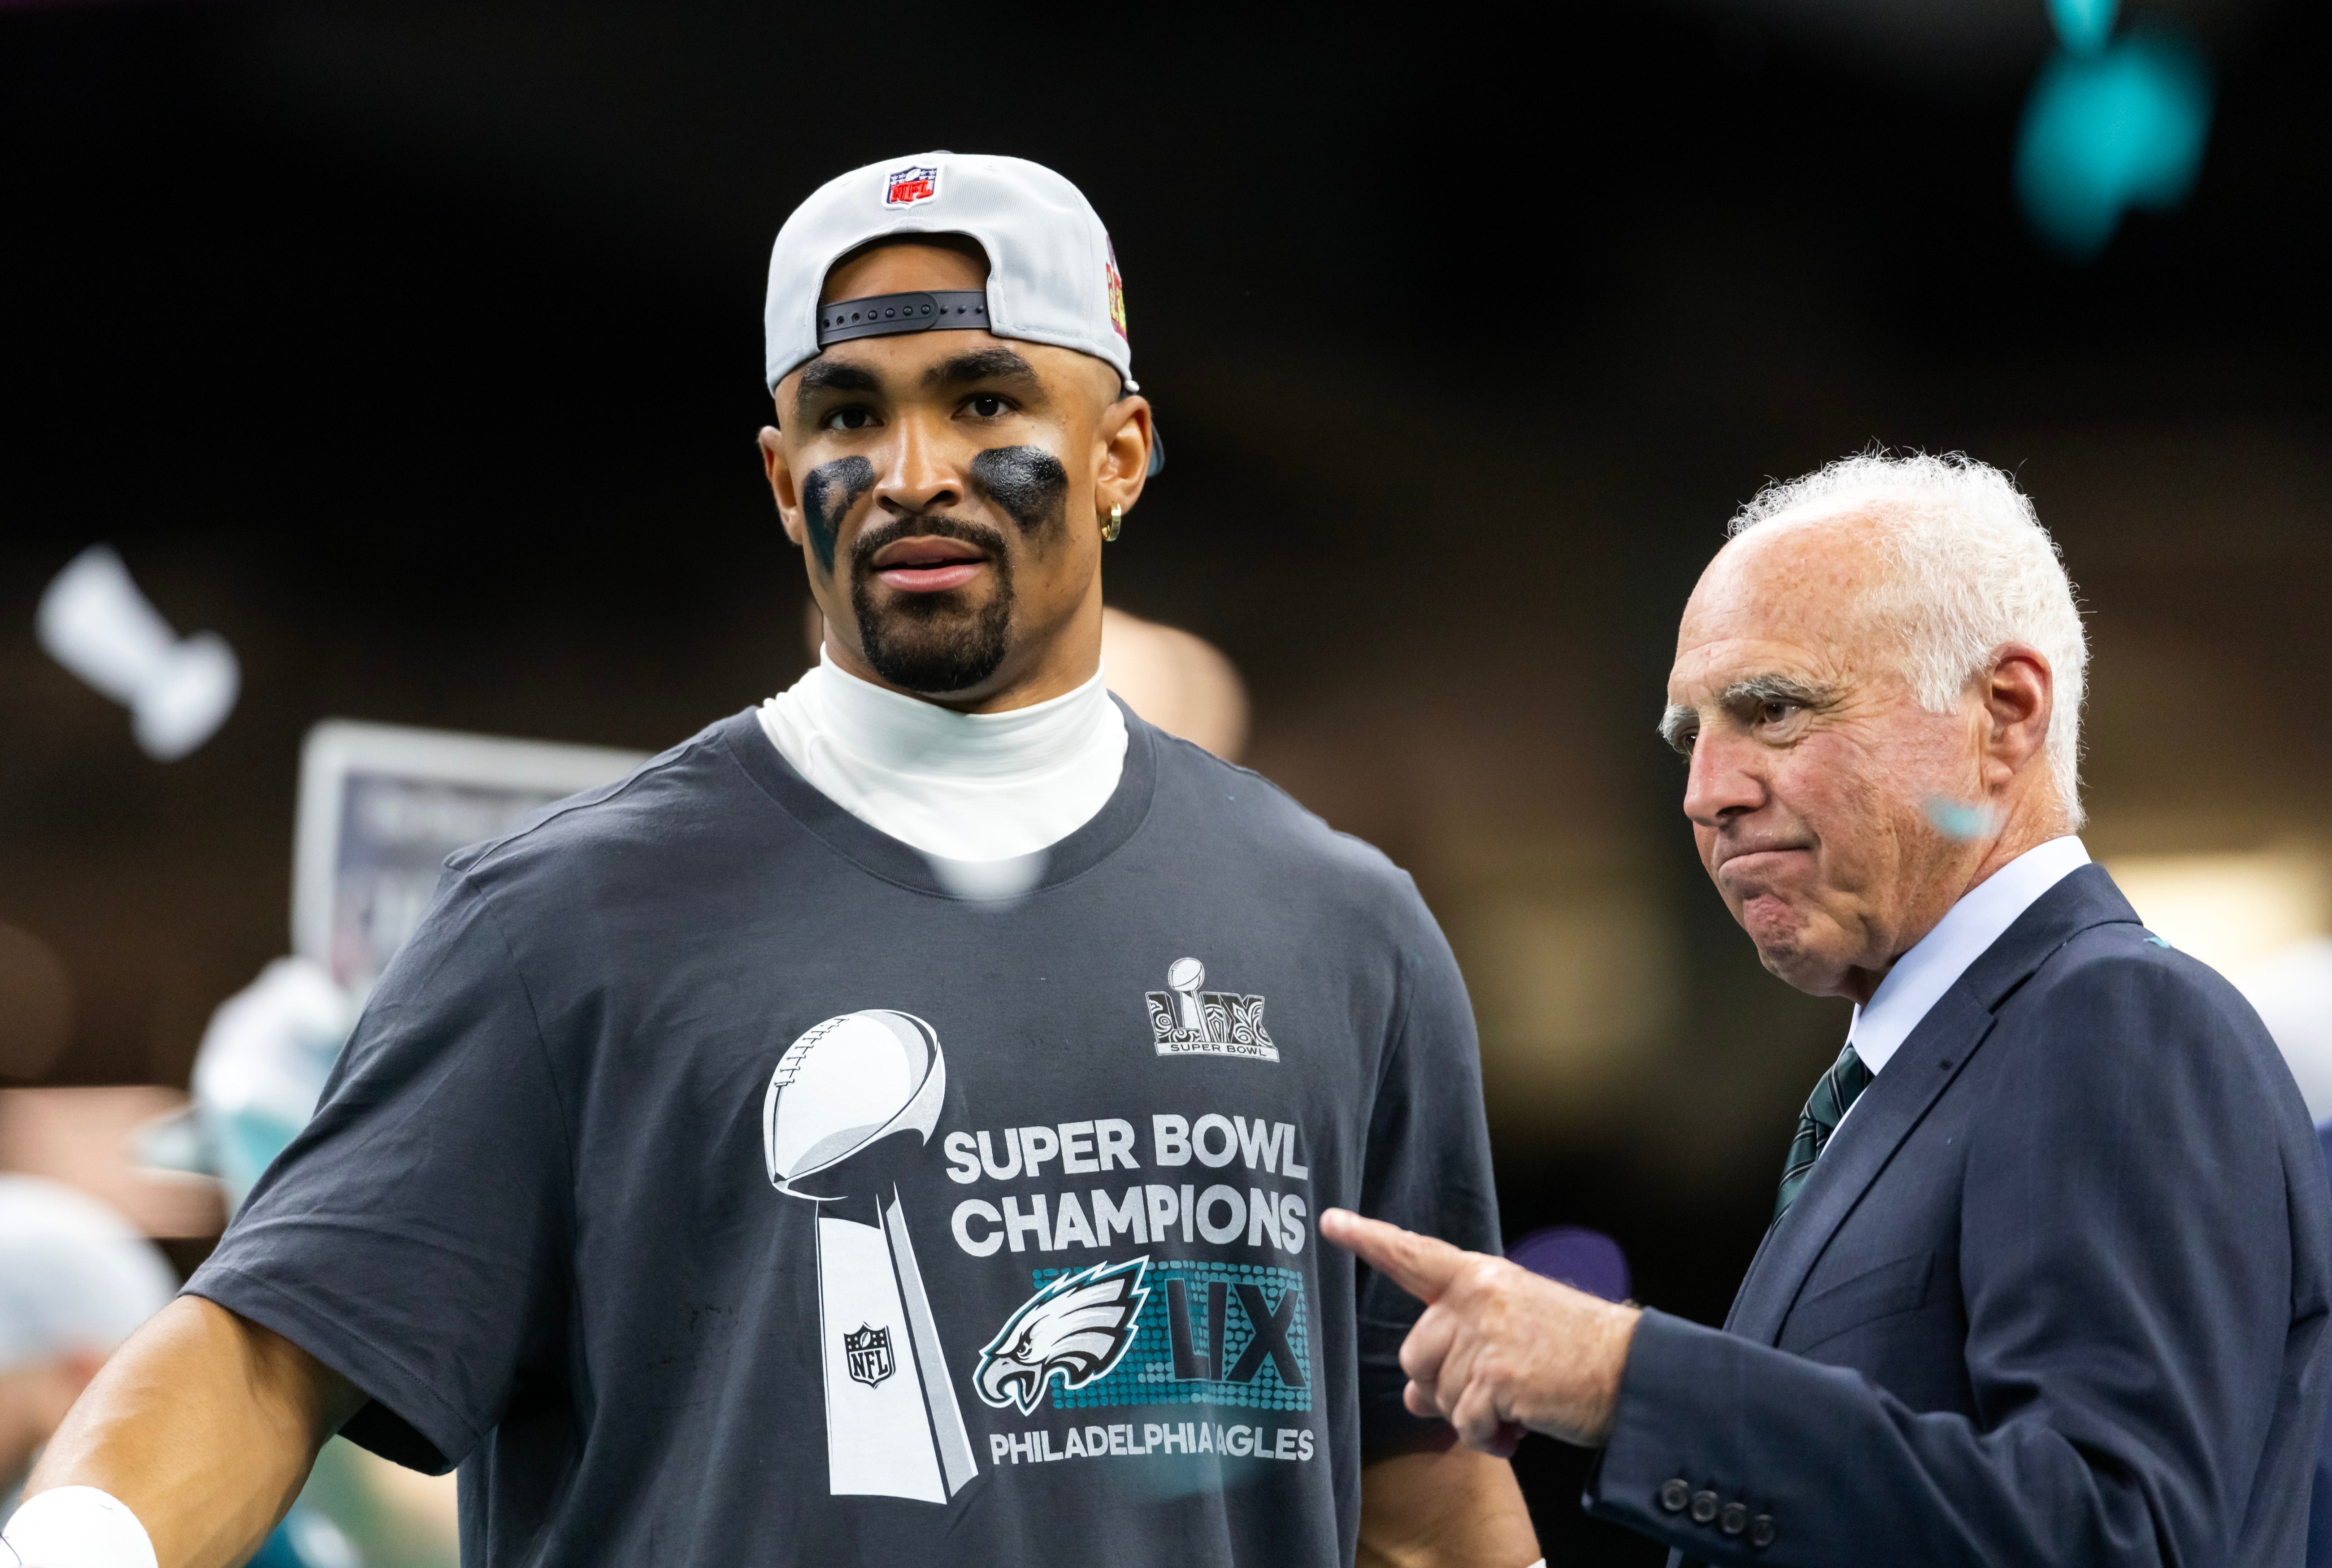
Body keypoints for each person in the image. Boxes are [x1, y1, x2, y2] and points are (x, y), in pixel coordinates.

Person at [7, 153, 1538, 1568]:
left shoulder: (1349, 933)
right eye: (850, 412)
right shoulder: (563, 924)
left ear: (1121, 451)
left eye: (987, 398)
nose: (913, 467)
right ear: (777, 470)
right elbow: (267, 1358)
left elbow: (1419, 1493)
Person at [1322, 451, 2332, 1565]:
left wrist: (1625, 1379)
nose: (1710, 793)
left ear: (2004, 714)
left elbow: (2116, 1538)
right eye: (1691, 738)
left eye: (1774, 709)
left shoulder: (2117, 1023)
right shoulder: (1916, 1082)